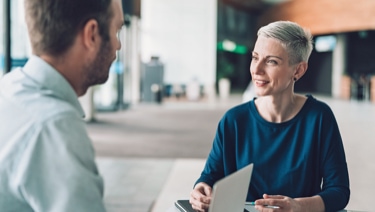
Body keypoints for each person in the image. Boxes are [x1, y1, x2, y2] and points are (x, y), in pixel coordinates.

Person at [189, 21, 350, 212]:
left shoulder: (319, 118)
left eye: (271, 61)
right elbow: (209, 177)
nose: (256, 70)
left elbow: (339, 191)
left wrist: (298, 207)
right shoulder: (233, 121)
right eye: (255, 57)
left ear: (298, 70)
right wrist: (200, 190)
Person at [0, 0, 124, 211]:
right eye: (116, 30)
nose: (118, 44)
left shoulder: (9, 88)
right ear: (91, 34)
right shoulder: (55, 127)